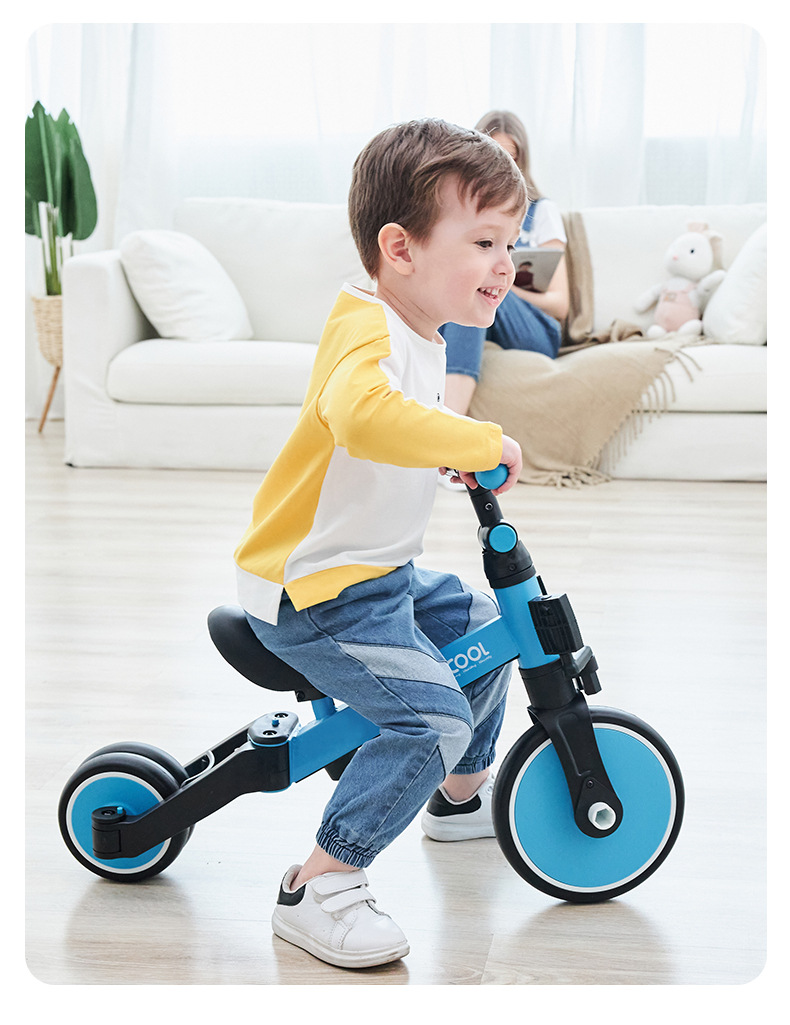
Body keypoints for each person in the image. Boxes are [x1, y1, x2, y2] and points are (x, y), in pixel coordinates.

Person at [233, 118, 526, 969]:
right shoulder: (365, 327)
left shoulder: (421, 330)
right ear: (400, 248)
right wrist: (473, 440)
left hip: (377, 578)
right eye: (483, 241)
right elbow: (363, 416)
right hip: (313, 593)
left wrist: (441, 452)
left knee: (485, 625)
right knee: (431, 713)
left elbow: (394, 432)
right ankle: (319, 883)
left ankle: (457, 797)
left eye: (511, 243)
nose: (506, 263)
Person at [442, 110, 570, 418]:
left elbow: (560, 305)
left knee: (474, 287)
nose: (503, 167)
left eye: (510, 158)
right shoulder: (466, 214)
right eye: (494, 156)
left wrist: (503, 285)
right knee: (465, 288)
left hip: (533, 328)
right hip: (482, 317)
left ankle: (448, 419)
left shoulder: (542, 212)